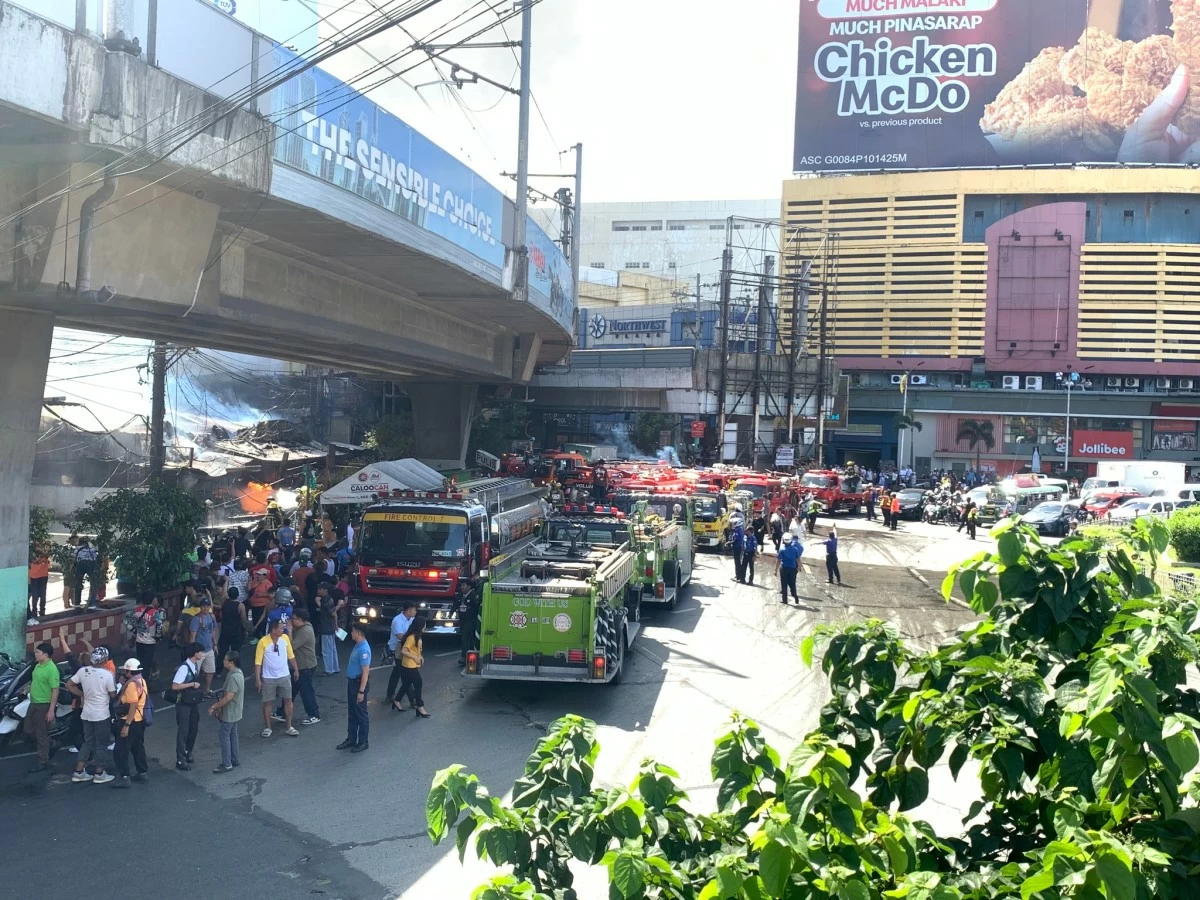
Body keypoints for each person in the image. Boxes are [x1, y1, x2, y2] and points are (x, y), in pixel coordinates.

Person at [66, 648, 116, 783]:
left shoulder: (83, 671)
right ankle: (100, 773)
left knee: (88, 742)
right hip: (101, 714)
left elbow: (69, 685)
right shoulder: (108, 674)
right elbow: (112, 694)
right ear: (105, 660)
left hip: (86, 713)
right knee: (102, 744)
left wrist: (82, 694)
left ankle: (79, 771)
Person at [255, 618, 299, 738]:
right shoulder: (263, 642)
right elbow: (258, 662)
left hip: (284, 675)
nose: (282, 630)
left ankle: (289, 726)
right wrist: (258, 679)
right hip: (268, 677)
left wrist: (295, 668)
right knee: (268, 702)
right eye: (280, 628)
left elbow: (291, 655)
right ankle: (268, 727)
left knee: (288, 700)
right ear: (273, 629)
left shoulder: (285, 639)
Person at [112, 658, 148, 788]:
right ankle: (142, 771)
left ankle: (124, 776)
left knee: (120, 749)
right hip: (139, 720)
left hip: (129, 720)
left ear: (129, 671)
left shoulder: (132, 685)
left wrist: (126, 725)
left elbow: (133, 705)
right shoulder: (141, 681)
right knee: (137, 746)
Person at [337, 622, 372, 753]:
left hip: (358, 684)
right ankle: (351, 738)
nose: (351, 633)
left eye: (352, 631)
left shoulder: (363, 649)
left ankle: (363, 741)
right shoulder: (358, 645)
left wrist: (361, 691)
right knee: (352, 713)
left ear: (358, 633)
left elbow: (365, 672)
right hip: (352, 683)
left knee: (361, 714)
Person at [209, 650, 245, 773]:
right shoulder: (237, 673)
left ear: (231, 662)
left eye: (225, 659)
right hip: (236, 711)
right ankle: (234, 759)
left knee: (224, 735)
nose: (223, 661)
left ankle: (227, 763)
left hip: (230, 712)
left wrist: (215, 706)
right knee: (233, 735)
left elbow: (228, 696)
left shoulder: (233, 677)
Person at [171, 643, 206, 770]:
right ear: (195, 653)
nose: (202, 654)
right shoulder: (184, 668)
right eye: (200, 652)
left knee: (193, 727)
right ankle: (180, 759)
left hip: (192, 702)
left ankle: (187, 750)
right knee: (183, 731)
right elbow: (175, 686)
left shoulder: (195, 665)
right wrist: (191, 684)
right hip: (183, 703)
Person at [25, 641, 58, 773]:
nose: (35, 654)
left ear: (45, 654)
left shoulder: (51, 669)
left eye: (38, 652)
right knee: (27, 730)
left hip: (43, 705)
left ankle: (43, 761)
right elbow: (36, 682)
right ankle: (50, 744)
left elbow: (55, 690)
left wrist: (51, 710)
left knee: (40, 734)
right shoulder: (38, 666)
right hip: (33, 703)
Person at [288, 607, 321, 726]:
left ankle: (314, 714)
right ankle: (283, 710)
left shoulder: (305, 631)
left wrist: (290, 631)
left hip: (305, 666)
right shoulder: (301, 627)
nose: (292, 620)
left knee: (306, 691)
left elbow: (291, 646)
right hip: (298, 666)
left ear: (301, 619)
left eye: (294, 619)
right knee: (291, 689)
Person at [397, 616, 430, 720]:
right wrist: (415, 657)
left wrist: (420, 656)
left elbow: (416, 650)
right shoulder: (411, 637)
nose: (425, 626)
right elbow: (404, 650)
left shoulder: (418, 636)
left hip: (413, 664)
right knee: (418, 683)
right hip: (408, 665)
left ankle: (397, 700)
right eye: (424, 624)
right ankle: (420, 706)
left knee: (407, 684)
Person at [386, 601, 417, 708]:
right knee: (406, 674)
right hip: (397, 650)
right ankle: (412, 699)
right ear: (408, 610)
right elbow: (400, 636)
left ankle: (390, 694)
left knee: (398, 672)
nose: (415, 612)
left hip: (406, 649)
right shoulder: (397, 621)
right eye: (414, 610)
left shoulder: (412, 620)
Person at [126, 592, 165, 678]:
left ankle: (138, 680)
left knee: (140, 662)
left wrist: (134, 630)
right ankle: (144, 684)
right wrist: (158, 637)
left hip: (139, 641)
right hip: (150, 642)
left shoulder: (136, 610)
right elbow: (159, 625)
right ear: (152, 600)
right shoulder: (154, 612)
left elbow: (126, 620)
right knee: (147, 665)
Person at [188, 596, 219, 695]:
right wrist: (193, 650)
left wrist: (215, 644)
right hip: (199, 650)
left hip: (209, 648)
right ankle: (192, 690)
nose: (205, 608)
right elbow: (192, 636)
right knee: (194, 672)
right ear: (200, 607)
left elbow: (213, 630)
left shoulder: (212, 616)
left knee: (210, 671)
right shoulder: (196, 619)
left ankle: (207, 689)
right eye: (203, 606)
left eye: (207, 606)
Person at [319, 586, 342, 676]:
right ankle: (335, 667)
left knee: (326, 649)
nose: (319, 590)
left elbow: (333, 613)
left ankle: (329, 669)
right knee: (332, 648)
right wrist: (336, 625)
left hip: (326, 627)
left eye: (321, 588)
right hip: (331, 627)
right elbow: (334, 614)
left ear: (326, 589)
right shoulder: (329, 599)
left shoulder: (325, 600)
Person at [776, 533, 801, 605]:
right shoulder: (795, 549)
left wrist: (775, 570)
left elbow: (779, 561)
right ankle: (794, 595)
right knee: (792, 583)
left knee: (784, 584)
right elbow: (798, 559)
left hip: (784, 568)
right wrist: (799, 567)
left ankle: (785, 600)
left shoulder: (782, 549)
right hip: (792, 569)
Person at [73, 537, 99, 608]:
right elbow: (95, 557)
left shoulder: (77, 548)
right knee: (93, 584)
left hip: (80, 565)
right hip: (89, 565)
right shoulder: (91, 549)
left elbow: (74, 557)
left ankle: (77, 603)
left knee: (78, 583)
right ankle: (92, 603)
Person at [27, 545, 50, 623]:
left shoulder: (32, 556)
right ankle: (40, 611)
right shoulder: (44, 556)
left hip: (37, 577)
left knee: (37, 596)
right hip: (40, 577)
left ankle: (37, 611)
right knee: (40, 595)